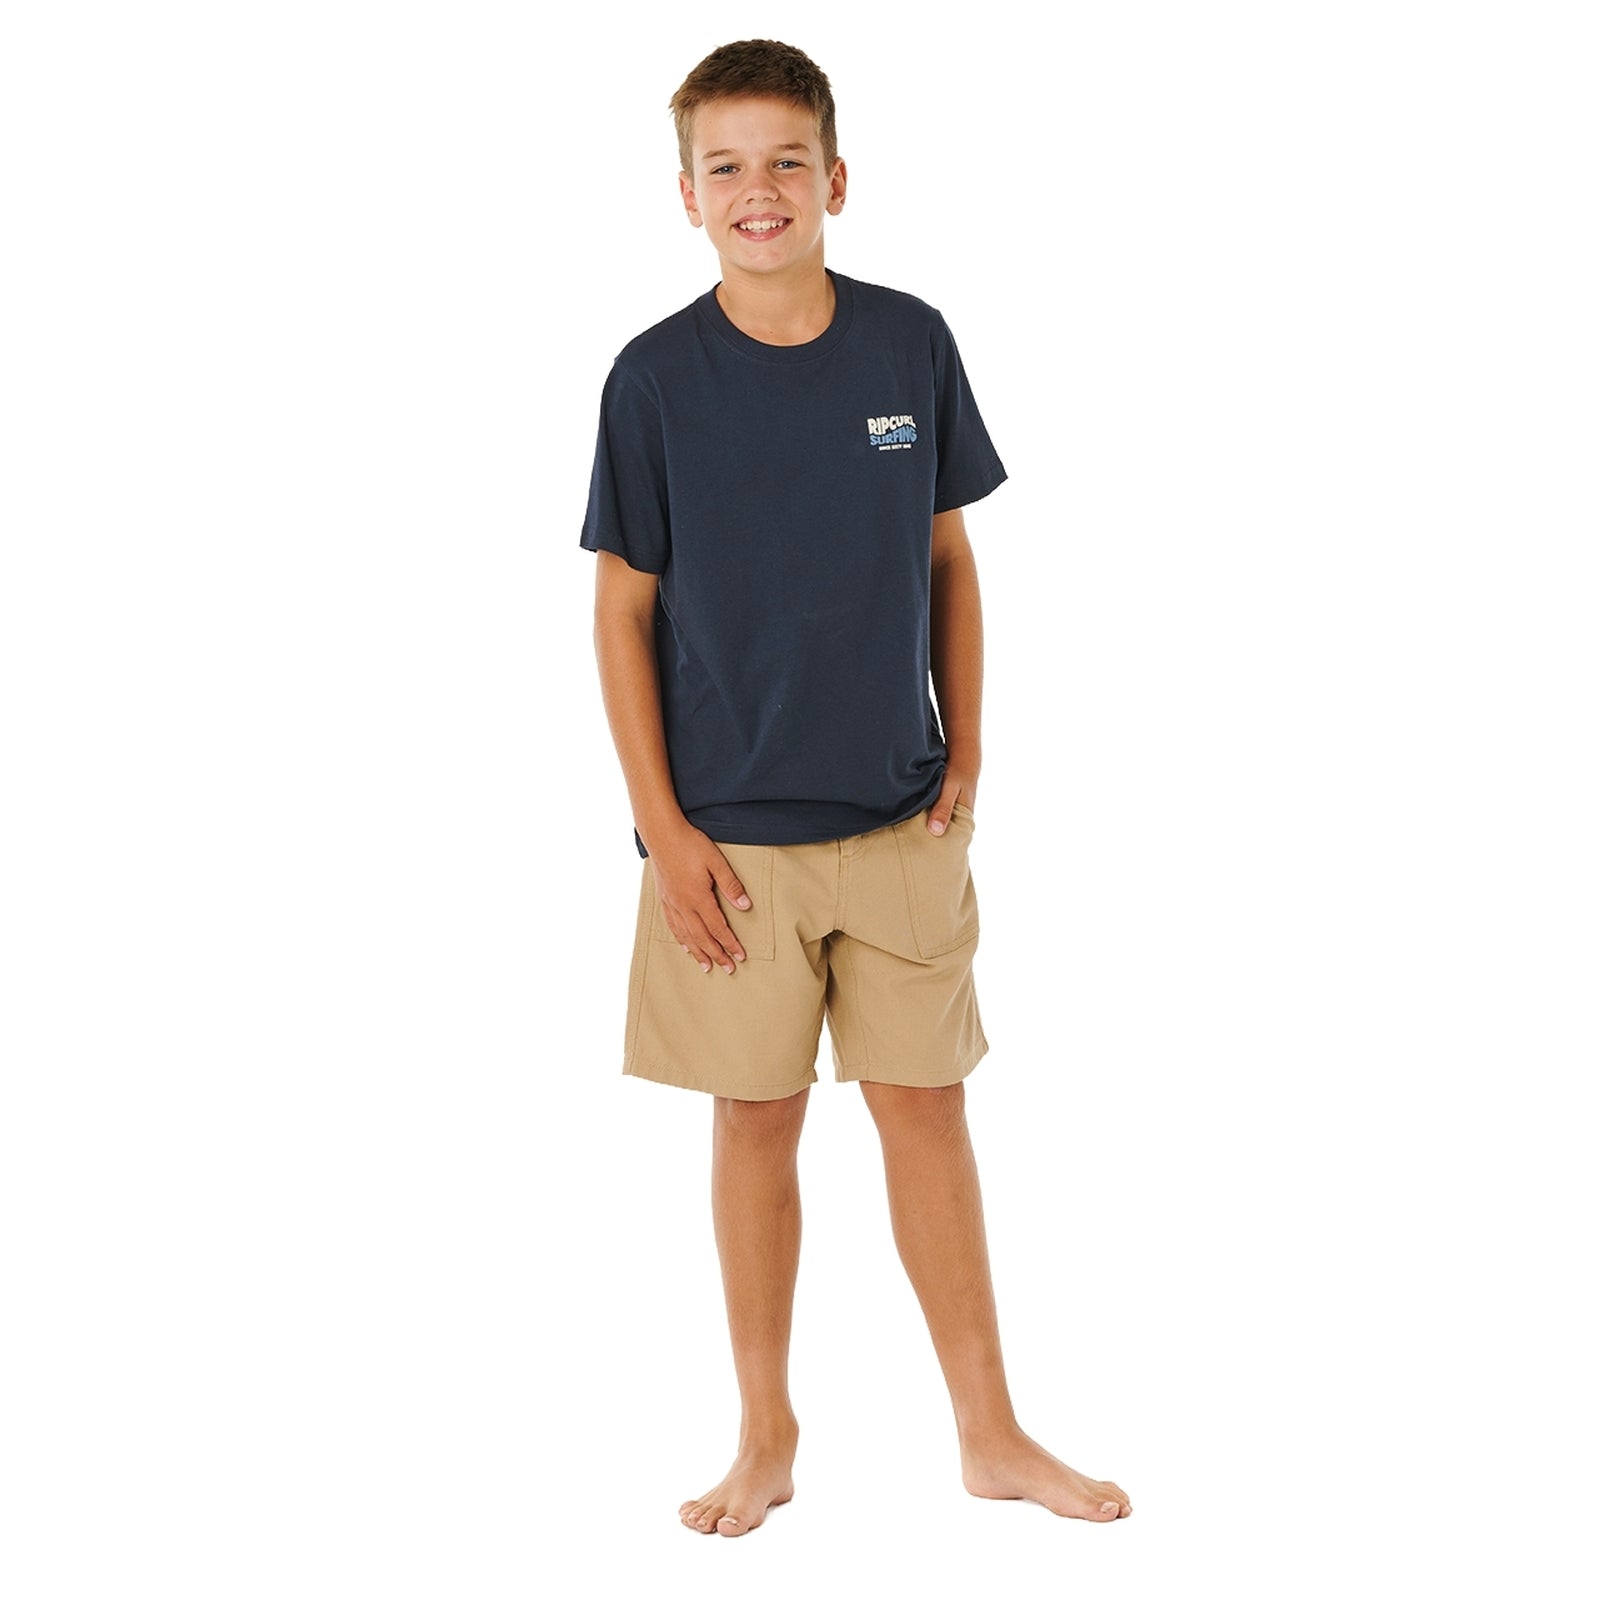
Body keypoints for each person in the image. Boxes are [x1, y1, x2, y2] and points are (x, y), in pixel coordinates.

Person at [580, 38, 1131, 1538]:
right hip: (728, 845)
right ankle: (765, 1435)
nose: (758, 190)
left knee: (926, 1112)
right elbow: (620, 611)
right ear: (685, 195)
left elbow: (949, 553)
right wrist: (664, 832)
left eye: (786, 161)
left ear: (837, 177)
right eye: (725, 167)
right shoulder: (652, 380)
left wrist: (971, 745)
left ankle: (991, 1433)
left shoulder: (909, 345)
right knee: (754, 1123)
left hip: (900, 824)